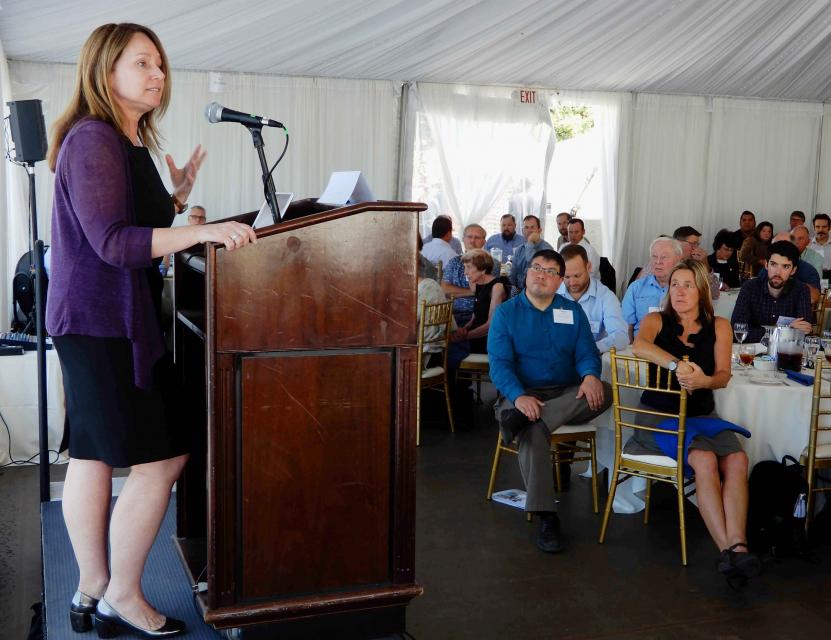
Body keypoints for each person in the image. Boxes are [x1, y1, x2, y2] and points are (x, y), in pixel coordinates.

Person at [45, 23, 257, 637]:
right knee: (161, 457)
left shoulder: (122, 138)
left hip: (101, 320)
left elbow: (129, 224)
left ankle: (92, 587)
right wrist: (200, 229)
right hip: (101, 322)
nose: (157, 74)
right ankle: (123, 594)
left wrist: (176, 197)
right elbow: (112, 243)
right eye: (142, 63)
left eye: (160, 64)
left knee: (93, 452)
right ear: (104, 71)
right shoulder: (92, 138)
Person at [627, 259, 760, 580]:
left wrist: (704, 382)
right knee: (704, 460)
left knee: (739, 459)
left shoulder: (720, 326)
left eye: (687, 285)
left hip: (702, 415)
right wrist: (677, 366)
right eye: (675, 285)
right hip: (658, 417)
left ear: (701, 291)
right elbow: (639, 345)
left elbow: (724, 376)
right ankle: (729, 550)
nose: (680, 292)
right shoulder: (656, 321)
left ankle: (737, 546)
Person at [489, 249, 611, 553]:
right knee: (532, 432)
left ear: (560, 281)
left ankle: (530, 421)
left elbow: (586, 353)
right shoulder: (507, 313)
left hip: (565, 394)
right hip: (519, 394)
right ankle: (546, 516)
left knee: (605, 390)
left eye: (550, 271)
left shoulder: (571, 312)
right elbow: (499, 365)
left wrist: (590, 375)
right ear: (526, 273)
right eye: (536, 268)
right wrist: (519, 397)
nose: (541, 275)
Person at [731, 240, 813, 342]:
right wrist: (785, 330)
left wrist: (763, 333)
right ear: (766, 265)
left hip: (785, 354)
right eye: (773, 264)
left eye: (785, 266)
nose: (778, 272)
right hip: (751, 353)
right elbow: (737, 332)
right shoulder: (750, 287)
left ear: (793, 270)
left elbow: (804, 332)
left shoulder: (801, 290)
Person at [558, 244, 628, 353]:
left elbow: (621, 337)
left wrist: (588, 349)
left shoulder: (605, 297)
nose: (572, 282)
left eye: (577, 276)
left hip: (592, 359)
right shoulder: (553, 293)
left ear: (589, 267)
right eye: (566, 277)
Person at [622, 237, 683, 340]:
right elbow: (627, 326)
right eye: (654, 257)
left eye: (664, 257)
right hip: (641, 347)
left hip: (674, 349)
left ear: (679, 259)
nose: (658, 262)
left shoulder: (685, 290)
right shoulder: (636, 287)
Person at [451, 249, 508, 353]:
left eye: (468, 267)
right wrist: (464, 330)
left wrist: (465, 337)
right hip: (475, 336)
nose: (465, 272)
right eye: (464, 267)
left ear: (483, 270)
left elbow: (491, 325)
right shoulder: (477, 285)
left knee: (448, 351)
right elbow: (475, 318)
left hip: (489, 340)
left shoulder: (497, 287)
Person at [442, 224, 500, 325]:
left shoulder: (491, 263)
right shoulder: (454, 262)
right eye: (469, 237)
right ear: (463, 239)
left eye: (477, 237)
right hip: (452, 316)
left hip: (480, 316)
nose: (472, 241)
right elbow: (444, 289)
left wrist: (456, 292)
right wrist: (474, 292)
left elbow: (489, 291)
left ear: (484, 242)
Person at [760, 231, 821, 304]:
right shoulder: (768, 267)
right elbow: (758, 290)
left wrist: (787, 279)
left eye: (782, 247)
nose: (776, 252)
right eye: (774, 247)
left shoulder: (808, 270)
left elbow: (815, 298)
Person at [510, 215, 554, 288]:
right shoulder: (519, 250)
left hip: (539, 291)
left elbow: (533, 265)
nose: (529, 231)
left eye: (532, 227)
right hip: (519, 291)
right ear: (522, 231)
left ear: (539, 230)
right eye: (526, 228)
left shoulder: (547, 249)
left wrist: (530, 243)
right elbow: (513, 274)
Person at [809, 213, 831, 278]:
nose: (820, 230)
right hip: (810, 278)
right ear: (814, 228)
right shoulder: (807, 245)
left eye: (824, 227)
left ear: (829, 228)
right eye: (817, 227)